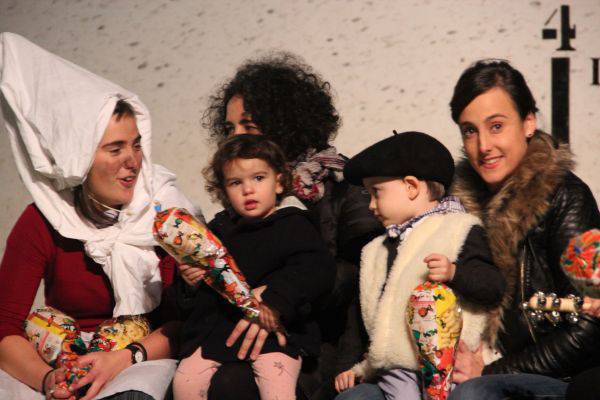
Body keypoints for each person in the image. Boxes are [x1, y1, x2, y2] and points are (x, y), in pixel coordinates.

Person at [0, 33, 195, 400]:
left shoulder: (162, 213)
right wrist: (49, 380)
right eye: (115, 149)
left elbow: (186, 322)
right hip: (62, 359)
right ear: (79, 158)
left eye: (136, 145)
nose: (132, 161)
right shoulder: (44, 220)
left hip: (139, 356)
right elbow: (4, 326)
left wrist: (123, 358)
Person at [202, 53, 383, 400]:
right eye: (229, 129)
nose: (234, 138)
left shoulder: (341, 185)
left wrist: (276, 297)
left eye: (248, 126)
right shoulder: (241, 205)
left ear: (286, 125)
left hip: (323, 349)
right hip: (248, 339)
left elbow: (361, 276)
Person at [446, 60, 600, 400]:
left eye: (496, 126)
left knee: (474, 394)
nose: (483, 146)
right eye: (469, 131)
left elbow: (591, 325)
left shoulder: (566, 197)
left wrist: (491, 372)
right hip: (478, 370)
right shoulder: (455, 210)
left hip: (562, 378)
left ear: (528, 122)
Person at [332, 131, 505, 400]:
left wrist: (455, 273)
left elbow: (492, 286)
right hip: (395, 366)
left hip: (448, 363)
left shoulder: (459, 229)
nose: (371, 205)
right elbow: (359, 318)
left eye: (376, 192)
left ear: (412, 187)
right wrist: (351, 366)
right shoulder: (374, 251)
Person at [172, 134, 335, 400]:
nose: (248, 189)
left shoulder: (293, 224)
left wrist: (274, 299)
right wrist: (190, 282)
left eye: (258, 178)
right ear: (224, 191)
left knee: (276, 383)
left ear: (279, 183)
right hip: (217, 333)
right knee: (185, 383)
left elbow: (314, 269)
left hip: (274, 331)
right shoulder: (217, 231)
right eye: (236, 182)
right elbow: (194, 298)